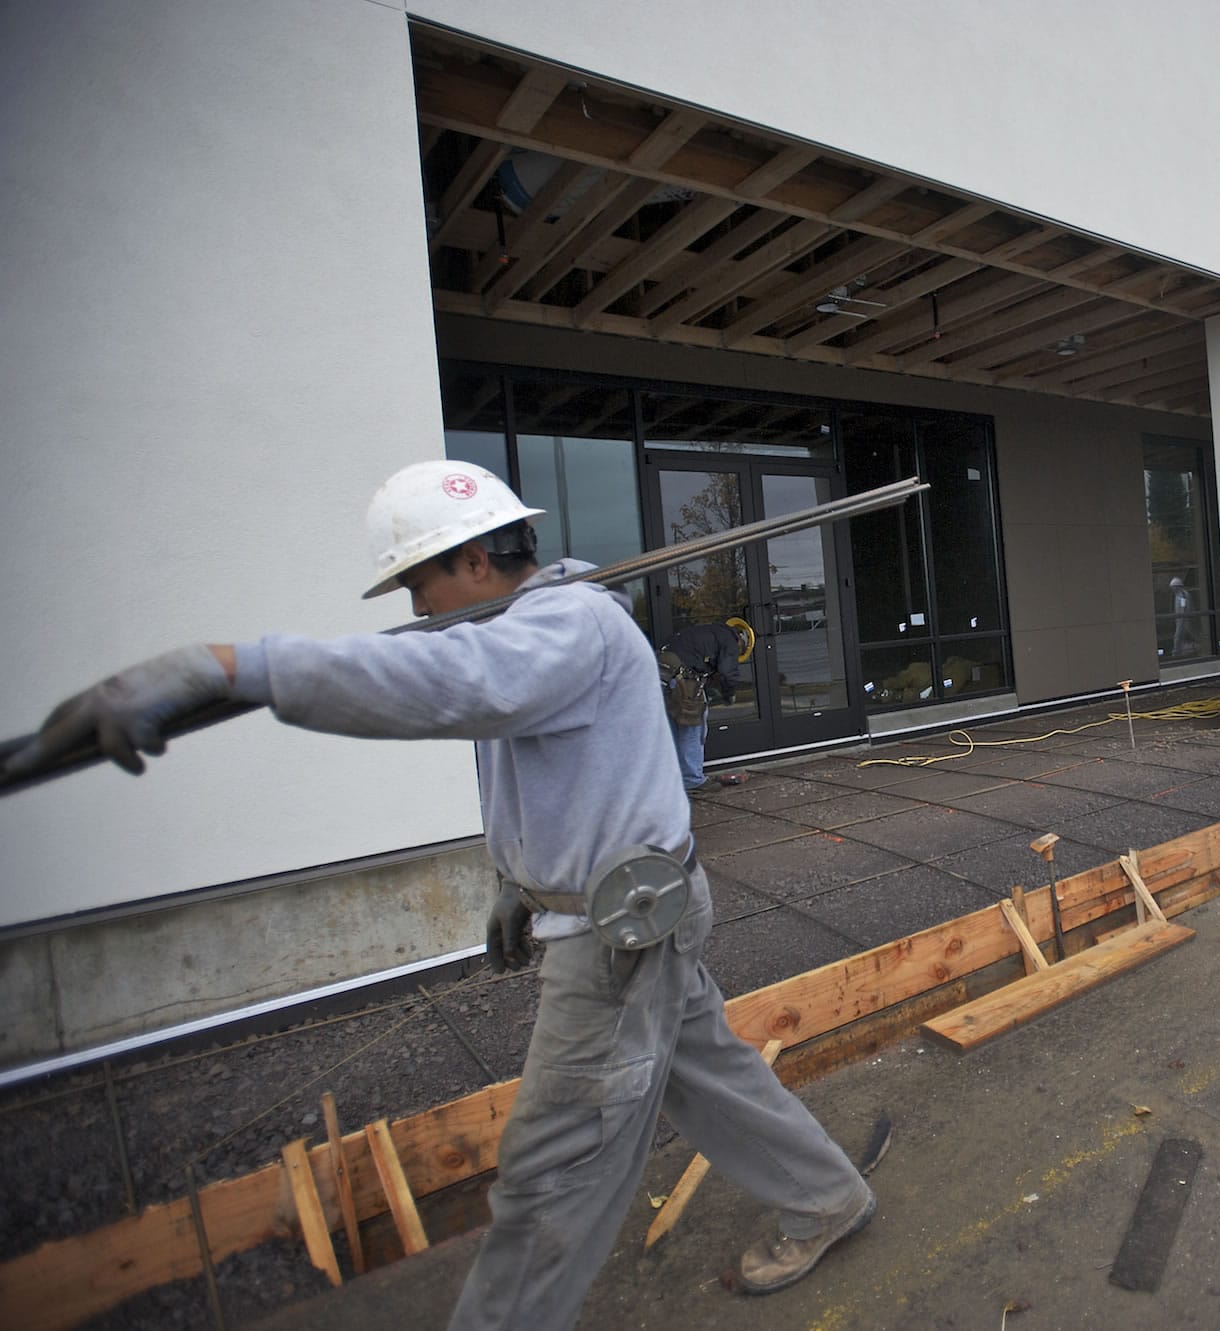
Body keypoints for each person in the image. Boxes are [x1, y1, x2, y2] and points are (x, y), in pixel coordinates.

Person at [4, 461, 875, 1328]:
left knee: (551, 1168)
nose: (417, 610)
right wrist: (516, 883)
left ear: (471, 559)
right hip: (631, 906)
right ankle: (828, 1195)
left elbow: (451, 683)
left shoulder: (564, 624)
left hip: (619, 934)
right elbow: (537, 769)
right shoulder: (525, 628)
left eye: (417, 583)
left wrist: (232, 666)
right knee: (707, 1074)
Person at [659, 620, 747, 791]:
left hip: (661, 673)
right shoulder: (729, 640)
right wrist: (729, 696)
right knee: (692, 728)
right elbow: (728, 672)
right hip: (681, 678)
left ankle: (677, 776)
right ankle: (692, 779)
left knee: (673, 730)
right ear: (741, 642)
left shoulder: (709, 632)